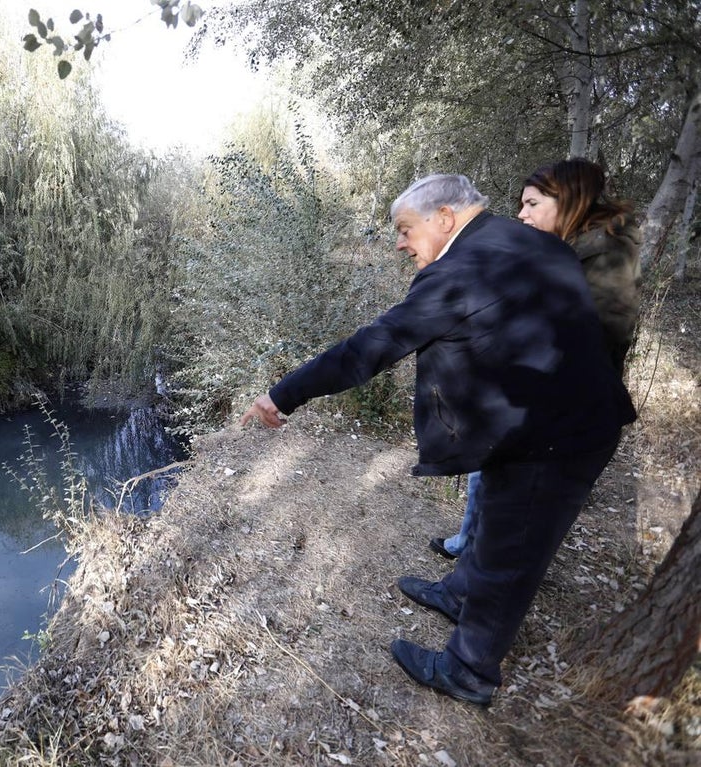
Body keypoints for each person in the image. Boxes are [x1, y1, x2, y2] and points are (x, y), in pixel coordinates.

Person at [240, 174, 636, 705]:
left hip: (555, 436)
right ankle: (457, 594)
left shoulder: (459, 272)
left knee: (508, 555)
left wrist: (281, 395)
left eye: (406, 229)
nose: (400, 243)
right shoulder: (526, 240)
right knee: (492, 517)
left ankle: (469, 671)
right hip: (534, 422)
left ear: (445, 218)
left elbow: (369, 348)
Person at [430, 158, 641, 560]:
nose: (521, 214)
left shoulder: (602, 258)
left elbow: (587, 340)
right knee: (489, 475)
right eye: (521, 204)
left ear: (568, 201)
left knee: (510, 503)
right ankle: (467, 550)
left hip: (558, 410)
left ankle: (474, 568)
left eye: (532, 204)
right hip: (536, 398)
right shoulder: (568, 251)